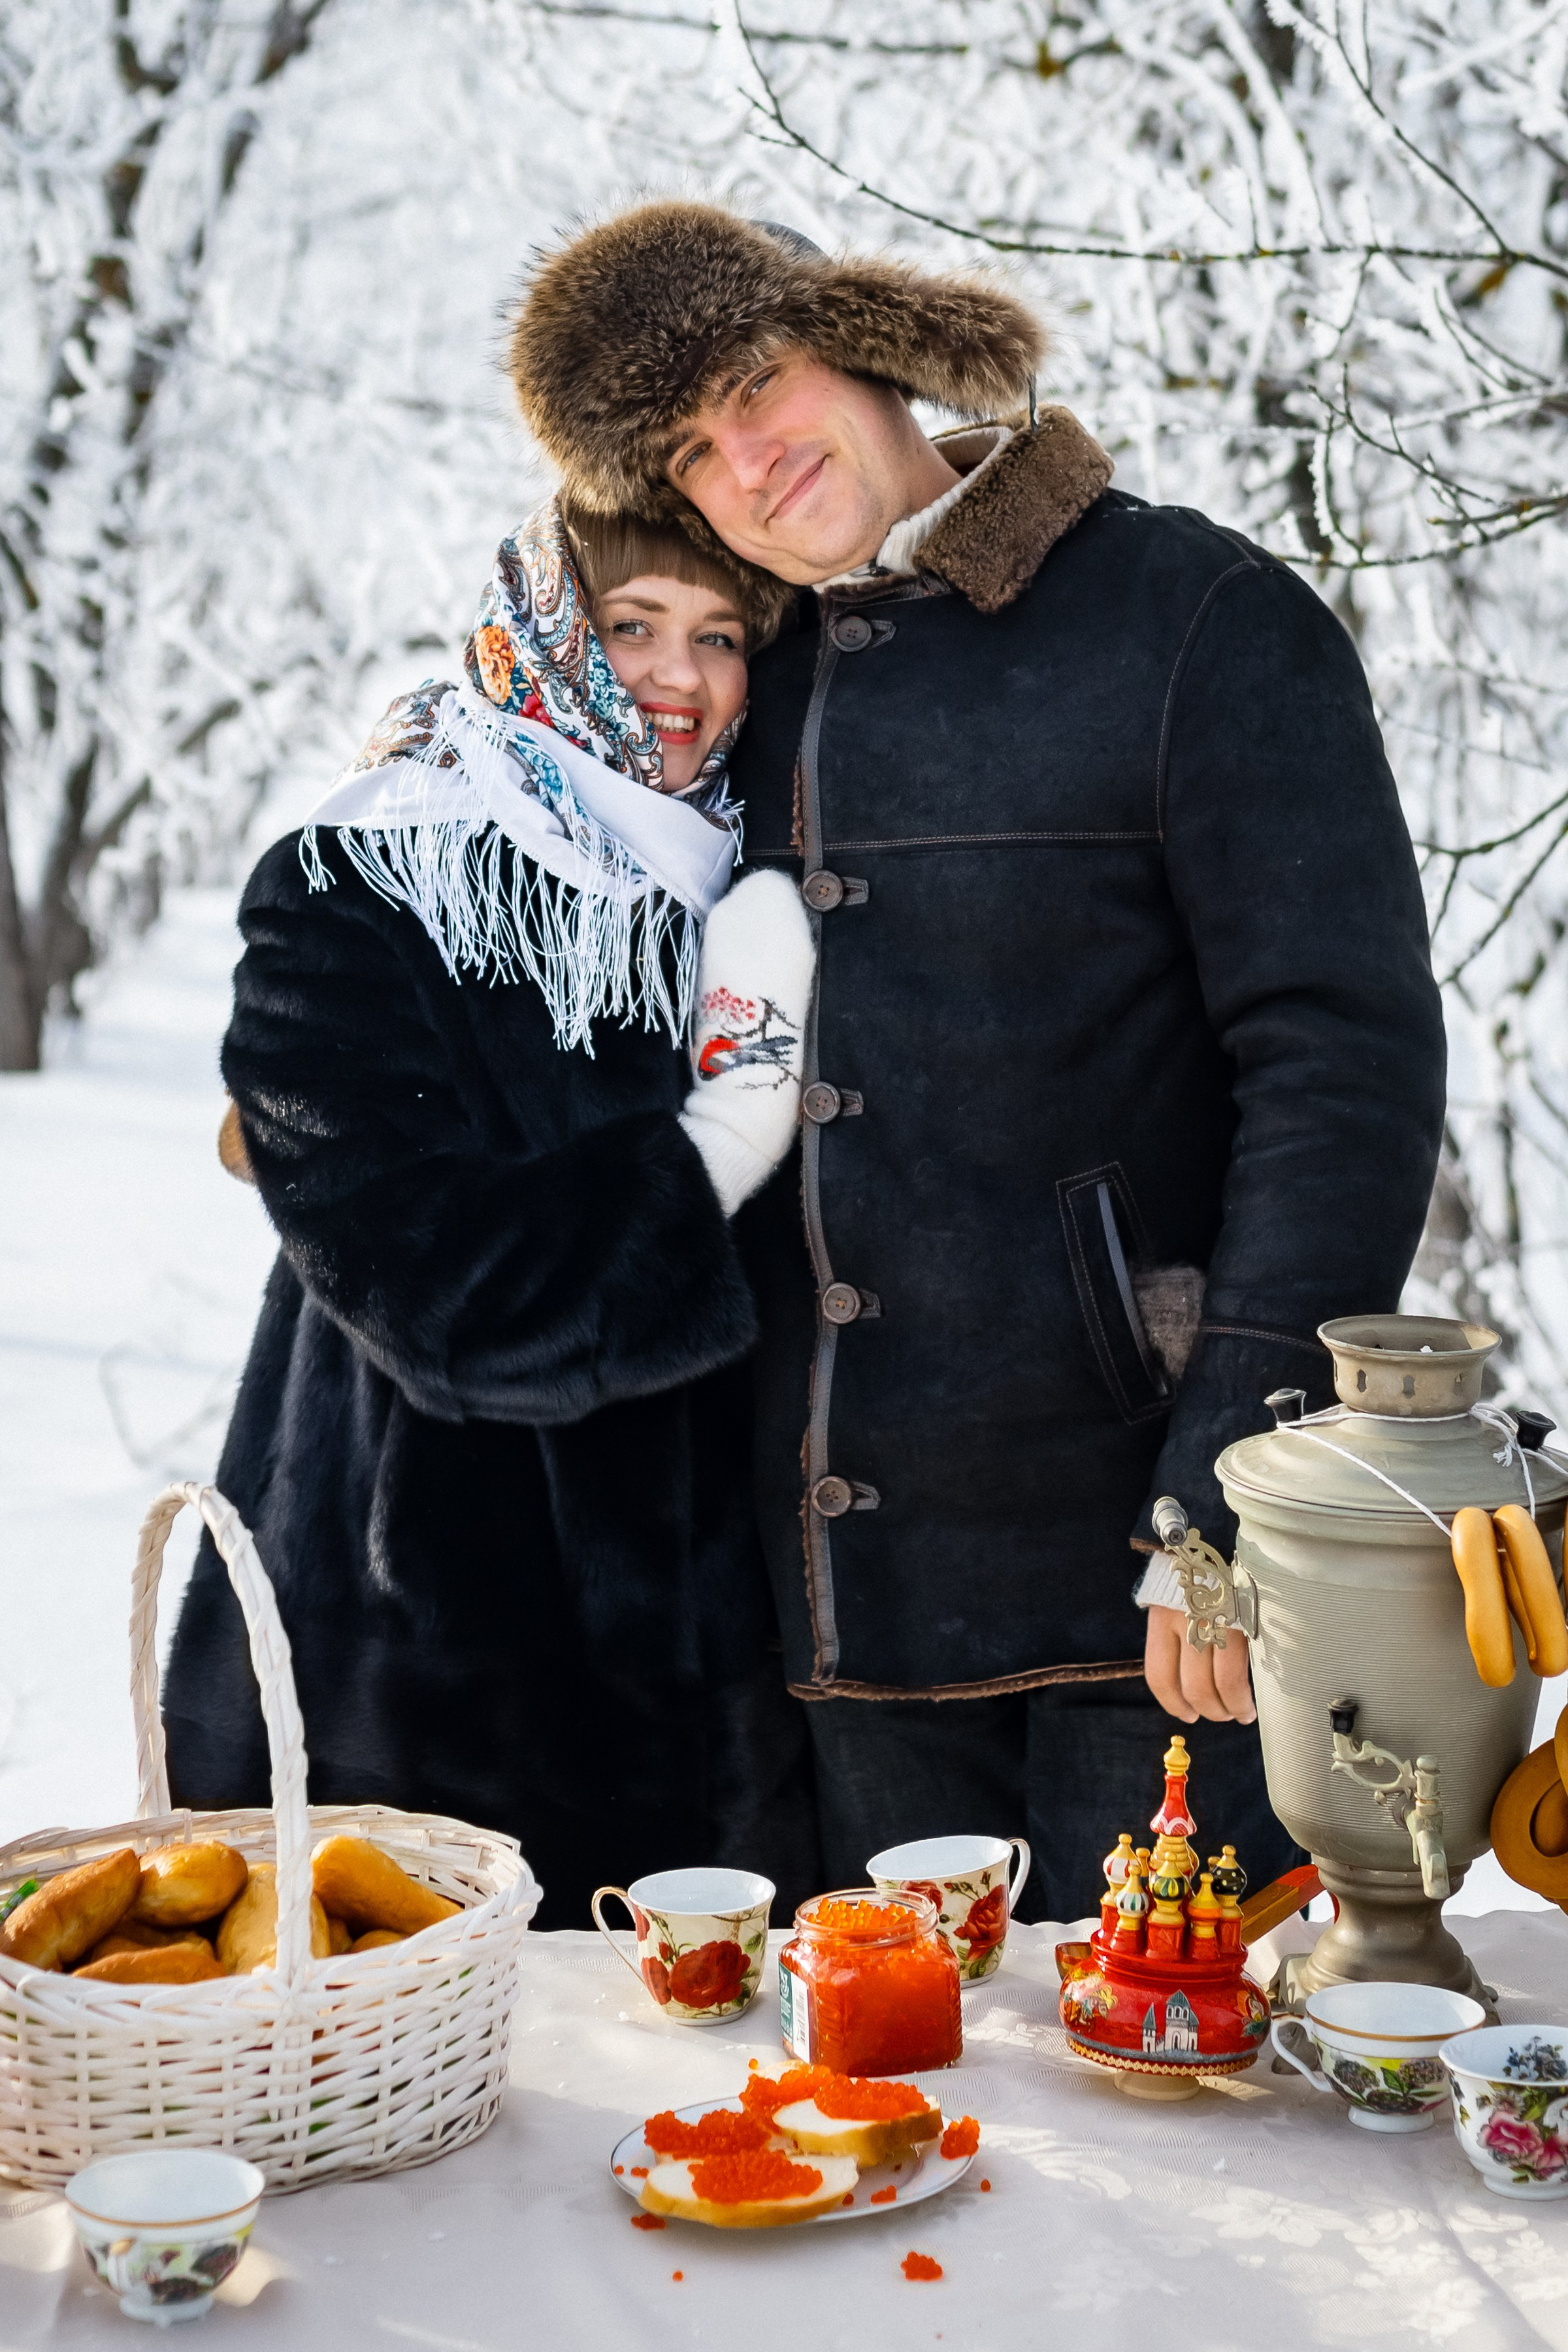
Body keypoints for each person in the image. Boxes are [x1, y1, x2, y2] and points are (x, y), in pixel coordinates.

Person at [506, 202, 1448, 1919]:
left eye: (750, 385)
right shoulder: (720, 692)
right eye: (690, 456)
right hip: (828, 1621)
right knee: (889, 2152)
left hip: (1145, 1610)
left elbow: (1344, 1071)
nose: (748, 466)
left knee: (1177, 2135)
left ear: (859, 333)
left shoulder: (1196, 618)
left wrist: (1227, 1500)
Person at [163, 495, 823, 1928]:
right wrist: (725, 1131)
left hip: (720, 1673)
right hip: (421, 1673)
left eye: (722, 636)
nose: (682, 676)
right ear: (539, 635)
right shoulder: (369, 878)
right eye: (632, 625)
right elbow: (446, 1296)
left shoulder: (736, 887)